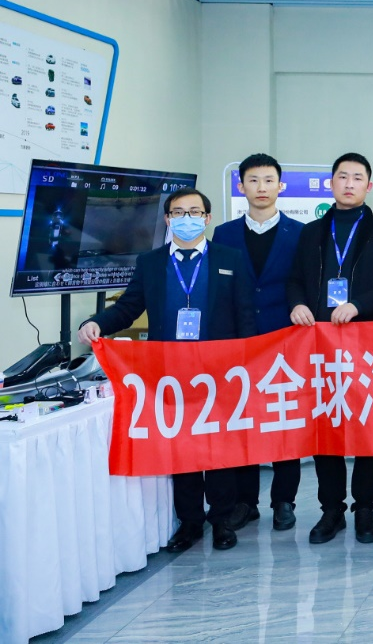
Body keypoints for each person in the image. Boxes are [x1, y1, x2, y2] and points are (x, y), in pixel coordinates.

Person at [79, 188, 255, 553]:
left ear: (207, 218)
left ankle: (222, 520)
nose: (187, 218)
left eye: (195, 212)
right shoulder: (151, 262)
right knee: (182, 448)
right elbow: (128, 308)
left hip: (220, 371)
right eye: (178, 212)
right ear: (168, 219)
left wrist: (248, 361)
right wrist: (96, 323)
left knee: (220, 447)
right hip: (170, 373)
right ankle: (189, 522)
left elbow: (245, 315)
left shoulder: (230, 258)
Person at [288, 152, 373, 545]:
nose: (349, 183)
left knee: (367, 427)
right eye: (342, 176)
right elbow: (294, 279)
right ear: (332, 183)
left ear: (368, 186)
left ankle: (365, 508)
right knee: (326, 426)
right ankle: (331, 510)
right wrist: (298, 304)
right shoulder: (311, 232)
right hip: (320, 344)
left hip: (368, 343)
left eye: (358, 177)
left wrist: (358, 304)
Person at [212, 153, 305, 531]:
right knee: (243, 421)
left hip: (287, 340)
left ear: (280, 186)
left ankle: (284, 500)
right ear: (241, 186)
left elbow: (304, 284)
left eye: (268, 180)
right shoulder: (224, 234)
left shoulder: (300, 233)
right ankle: (245, 502)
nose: (261, 187)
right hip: (240, 342)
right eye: (253, 180)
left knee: (285, 420)